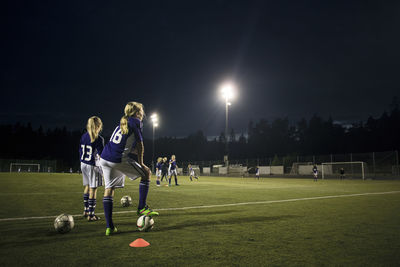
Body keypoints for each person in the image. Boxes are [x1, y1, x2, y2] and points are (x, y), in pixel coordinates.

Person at [100, 101, 159, 236]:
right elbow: (140, 145)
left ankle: (110, 227)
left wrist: (133, 153)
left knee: (109, 190)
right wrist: (142, 163)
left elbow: (125, 145)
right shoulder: (136, 122)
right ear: (138, 113)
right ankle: (142, 208)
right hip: (117, 159)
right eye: (141, 110)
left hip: (104, 158)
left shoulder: (124, 121)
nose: (143, 112)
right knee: (147, 173)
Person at [79, 116, 104, 221]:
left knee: (87, 187)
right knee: (93, 189)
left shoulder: (84, 136)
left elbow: (80, 150)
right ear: (99, 126)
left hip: (83, 163)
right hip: (93, 165)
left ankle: (85, 210)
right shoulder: (98, 138)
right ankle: (91, 215)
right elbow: (102, 154)